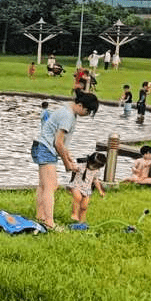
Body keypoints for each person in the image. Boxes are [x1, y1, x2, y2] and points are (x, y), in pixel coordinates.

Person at [31, 91, 99, 231]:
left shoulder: (67, 109)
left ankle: (40, 216)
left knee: (43, 186)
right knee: (51, 186)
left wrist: (68, 157)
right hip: (46, 148)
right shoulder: (68, 116)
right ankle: (49, 223)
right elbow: (58, 143)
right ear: (80, 105)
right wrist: (67, 164)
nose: (87, 115)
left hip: (41, 146)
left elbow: (61, 144)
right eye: (87, 112)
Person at [67, 151, 106, 225]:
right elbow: (71, 167)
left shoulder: (96, 171)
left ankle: (82, 222)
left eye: (96, 166)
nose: (93, 167)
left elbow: (96, 180)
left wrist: (100, 190)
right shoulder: (81, 165)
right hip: (76, 186)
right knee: (77, 197)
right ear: (89, 161)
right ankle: (74, 214)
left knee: (84, 206)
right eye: (93, 165)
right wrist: (70, 161)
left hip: (87, 189)